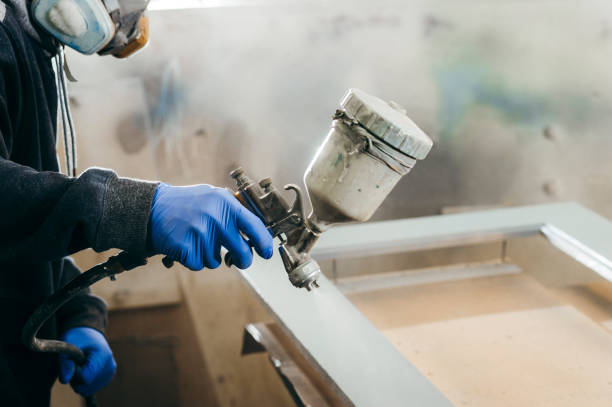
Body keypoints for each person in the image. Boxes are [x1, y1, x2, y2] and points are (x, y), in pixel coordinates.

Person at [0, 1, 274, 405]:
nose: (129, 16)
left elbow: (19, 224)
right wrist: (140, 209)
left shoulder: (29, 43)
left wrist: (77, 311)